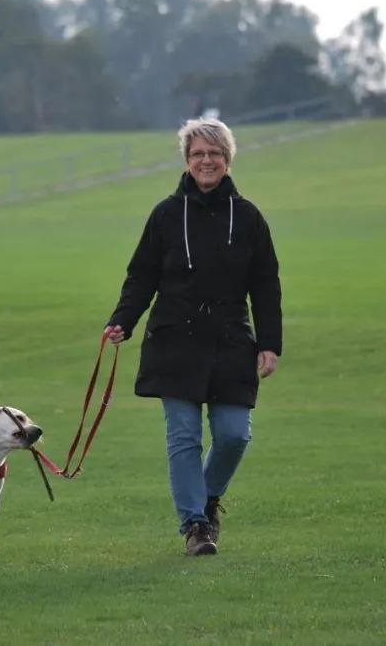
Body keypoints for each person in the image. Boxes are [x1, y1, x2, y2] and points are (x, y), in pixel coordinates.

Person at [105, 117, 282, 556]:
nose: (207, 161)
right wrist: (123, 320)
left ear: (227, 160)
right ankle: (196, 525)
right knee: (183, 436)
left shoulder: (248, 217)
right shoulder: (165, 215)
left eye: (215, 153)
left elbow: (265, 284)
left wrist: (269, 342)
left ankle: (208, 497)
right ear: (187, 160)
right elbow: (141, 275)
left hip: (230, 342)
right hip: (174, 341)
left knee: (234, 435)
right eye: (199, 153)